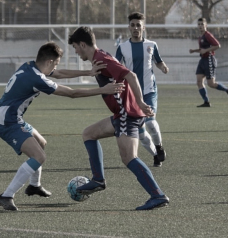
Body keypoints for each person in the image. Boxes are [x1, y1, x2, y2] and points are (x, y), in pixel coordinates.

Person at [0, 42, 125, 211]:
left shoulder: (30, 66)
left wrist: (88, 72)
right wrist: (103, 89)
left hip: (11, 117)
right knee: (39, 157)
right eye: (55, 64)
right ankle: (7, 195)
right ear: (49, 61)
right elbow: (72, 93)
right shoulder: (36, 78)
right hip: (8, 122)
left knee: (41, 143)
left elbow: (59, 73)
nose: (56, 68)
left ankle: (34, 186)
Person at [68, 26, 169, 210]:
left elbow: (130, 75)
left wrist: (139, 102)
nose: (75, 51)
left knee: (129, 157)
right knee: (88, 133)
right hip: (121, 114)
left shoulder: (101, 58)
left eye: (75, 47)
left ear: (83, 44)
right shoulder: (98, 58)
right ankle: (98, 179)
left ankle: (157, 195)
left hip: (126, 115)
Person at [115, 12, 168, 167]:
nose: (136, 28)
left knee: (151, 122)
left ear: (143, 27)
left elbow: (158, 61)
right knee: (140, 131)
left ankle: (159, 147)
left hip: (149, 91)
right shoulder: (122, 47)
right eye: (133, 25)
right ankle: (155, 155)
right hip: (131, 94)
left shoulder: (151, 45)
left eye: (139, 25)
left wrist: (163, 66)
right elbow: (116, 67)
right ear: (129, 27)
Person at [189, 18, 228, 107]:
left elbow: (217, 45)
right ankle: (206, 102)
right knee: (199, 81)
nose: (200, 26)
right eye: (199, 24)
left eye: (202, 24)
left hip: (209, 59)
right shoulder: (200, 37)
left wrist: (206, 50)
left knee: (211, 84)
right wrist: (194, 50)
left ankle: (227, 90)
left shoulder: (208, 35)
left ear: (206, 25)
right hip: (202, 60)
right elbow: (203, 50)